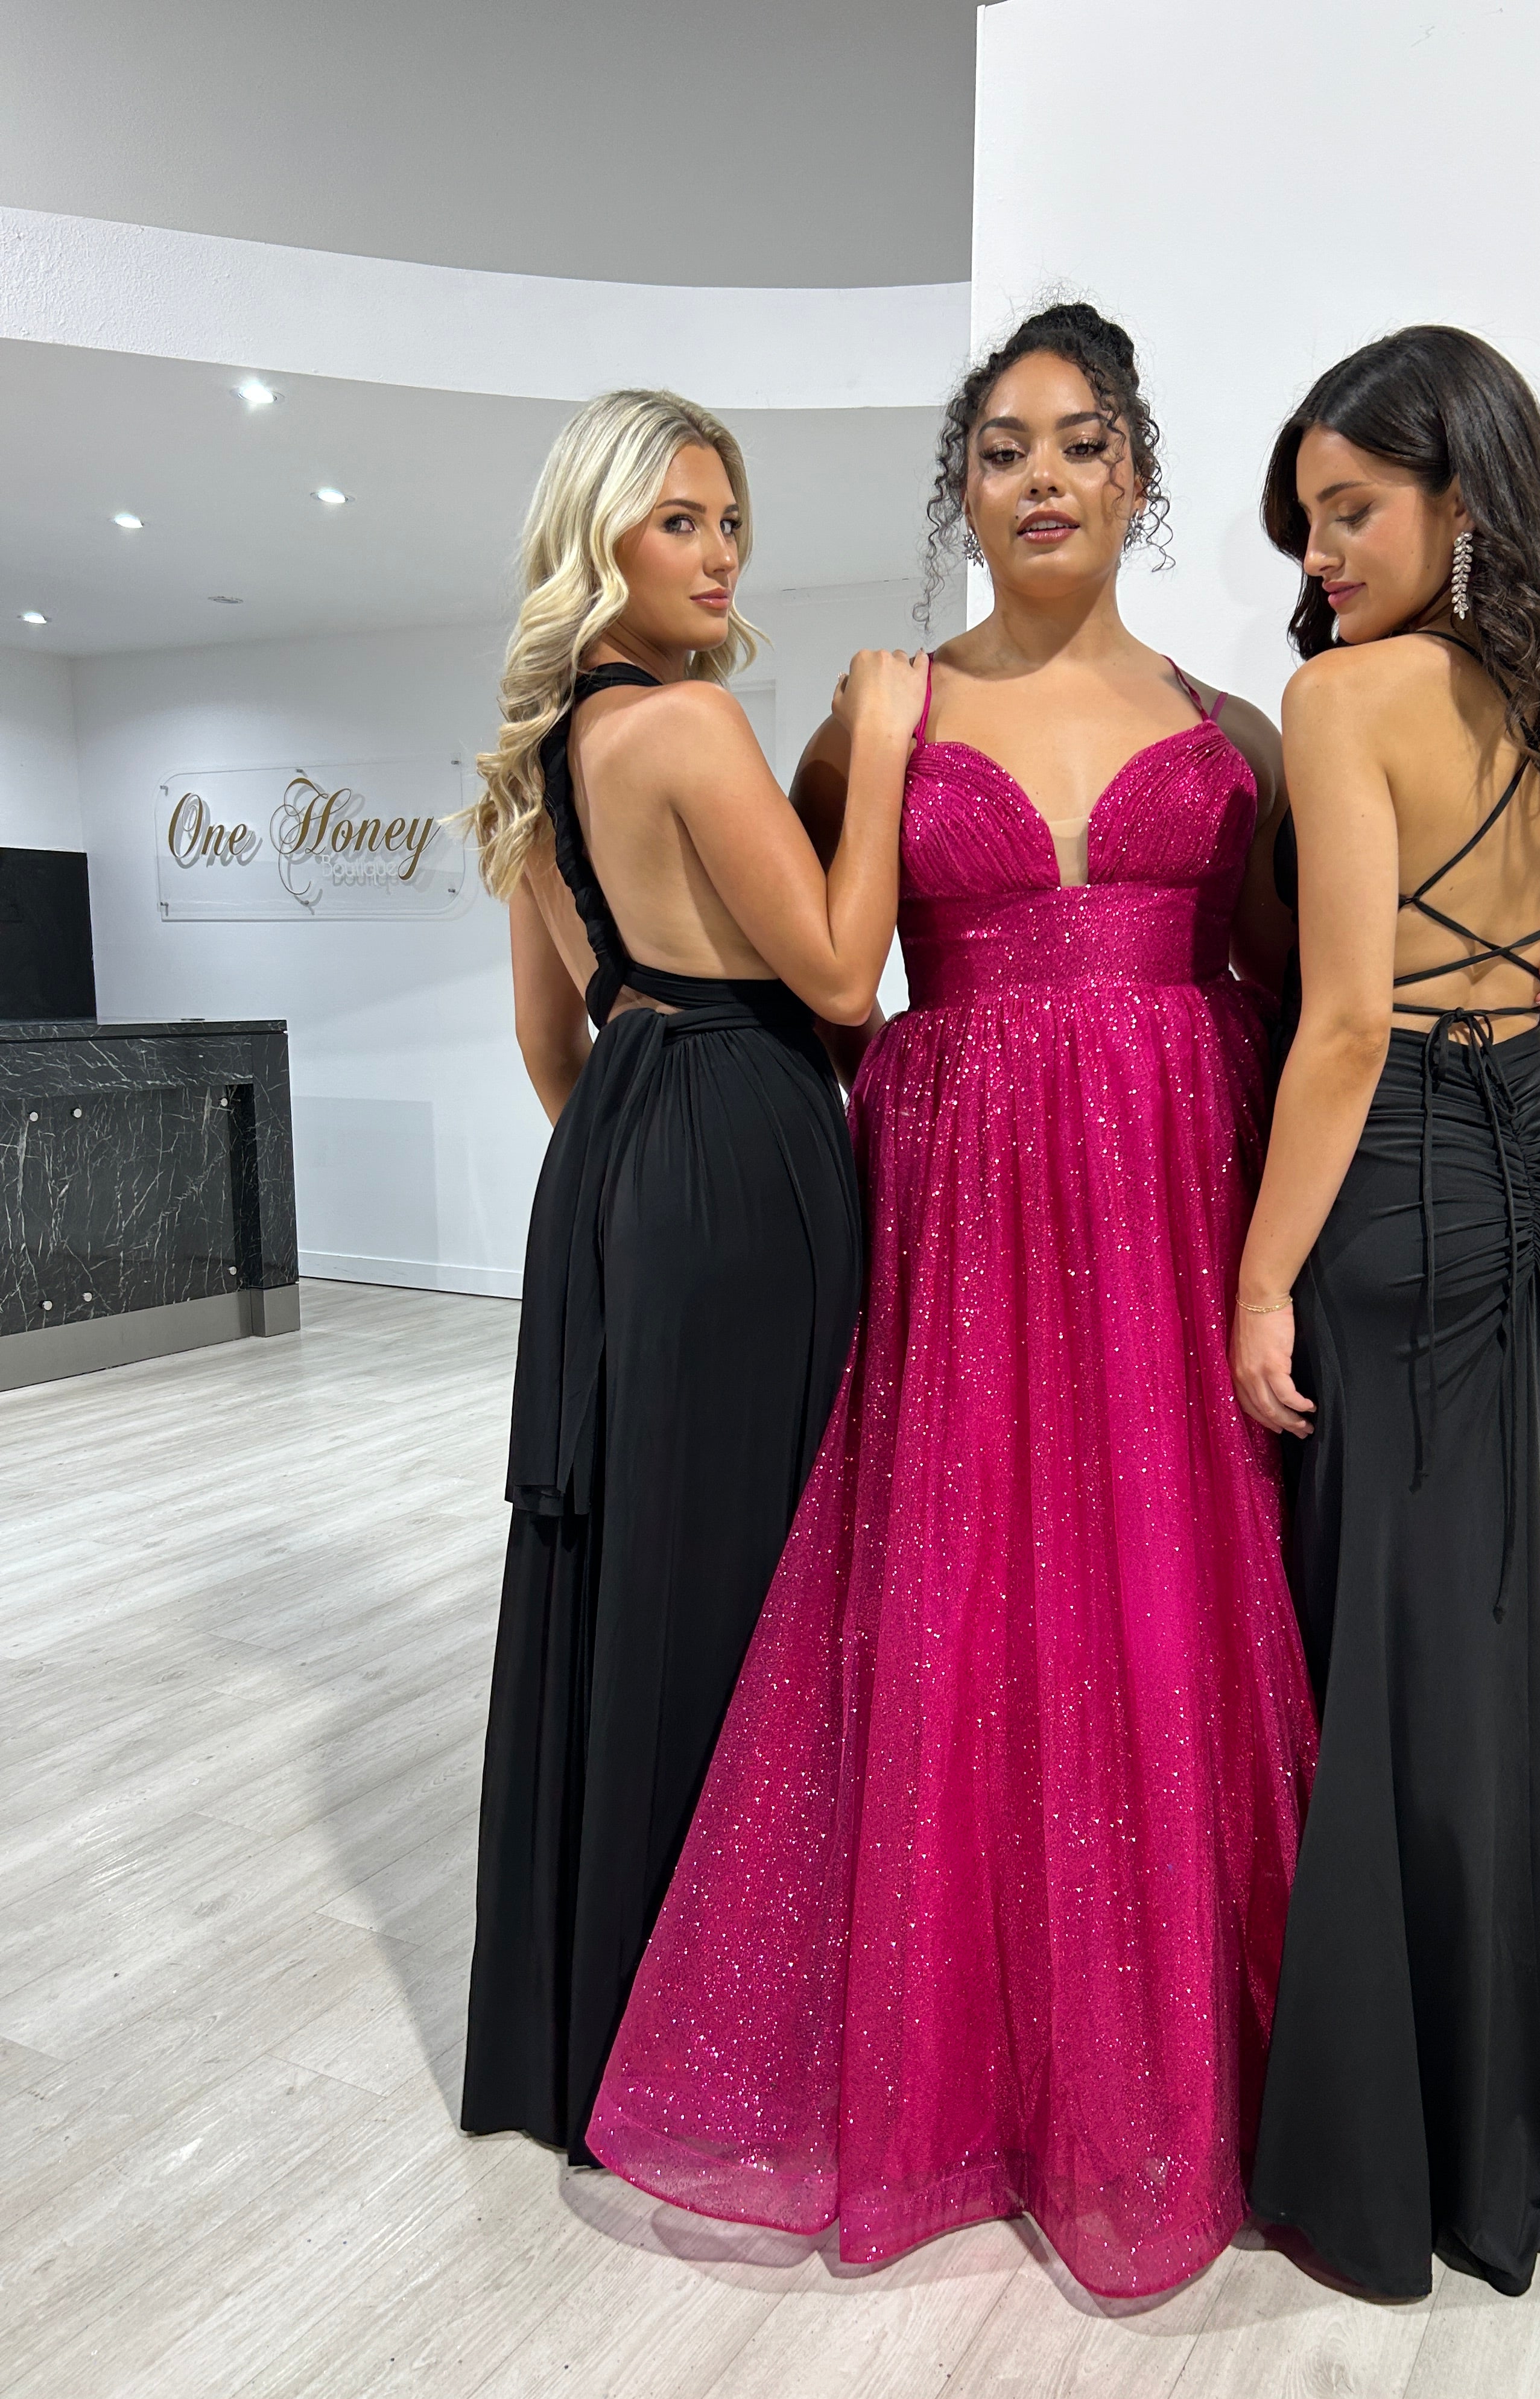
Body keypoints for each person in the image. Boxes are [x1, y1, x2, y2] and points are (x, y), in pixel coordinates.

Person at [587, 306, 1320, 2299]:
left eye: (1086, 444)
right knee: (962, 1611)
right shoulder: (873, 720)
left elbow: (1295, 986)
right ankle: (963, 2080)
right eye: (1004, 449)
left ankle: (1170, 2080)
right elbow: (806, 983)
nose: (1049, 477)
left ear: (1144, 478)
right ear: (964, 491)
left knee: (1163, 1605)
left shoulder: (1230, 730)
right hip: (966, 1232)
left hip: (1173, 1217)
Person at [458, 387, 925, 2164]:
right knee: (753, 1579)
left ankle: (598, 2029)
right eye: (679, 522)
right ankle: (719, 2043)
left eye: (730, 521)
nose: (720, 553)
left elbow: (541, 1038)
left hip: (626, 1158)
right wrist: (875, 747)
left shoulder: (535, 762)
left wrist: (630, 1182)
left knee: (635, 1565)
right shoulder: (691, 725)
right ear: (601, 539)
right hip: (744, 1147)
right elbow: (836, 971)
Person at [1234, 327, 1540, 2298]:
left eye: (1352, 510)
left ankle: (1402, 2164)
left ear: (1461, 498)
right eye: (1309, 523)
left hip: (1388, 1199)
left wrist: (1250, 1280)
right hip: (1539, 1193)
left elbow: (1339, 1023)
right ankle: (1513, 2135)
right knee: (1472, 1648)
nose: (1319, 555)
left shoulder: (1346, 702)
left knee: (1387, 1669)